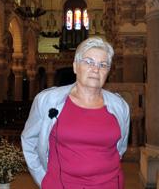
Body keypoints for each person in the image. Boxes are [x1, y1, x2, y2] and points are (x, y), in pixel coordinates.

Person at [21, 37, 130, 189]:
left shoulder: (120, 106)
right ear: (75, 66)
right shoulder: (47, 100)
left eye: (103, 65)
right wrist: (43, 178)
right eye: (89, 62)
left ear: (108, 71)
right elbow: (29, 140)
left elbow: (120, 148)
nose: (96, 69)